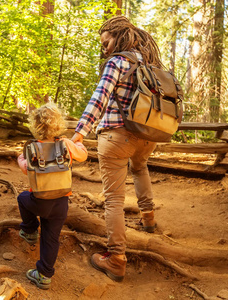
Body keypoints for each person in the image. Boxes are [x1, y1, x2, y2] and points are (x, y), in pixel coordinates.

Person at [71, 16, 164, 282]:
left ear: (119, 35)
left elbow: (99, 99)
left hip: (117, 136)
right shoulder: (150, 63)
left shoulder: (118, 62)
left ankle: (116, 259)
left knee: (113, 199)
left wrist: (78, 135)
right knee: (140, 167)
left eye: (106, 41)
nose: (104, 48)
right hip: (148, 135)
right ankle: (148, 218)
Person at [17, 103, 88, 290]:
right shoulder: (66, 144)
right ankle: (44, 275)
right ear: (59, 124)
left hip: (39, 200)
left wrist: (20, 159)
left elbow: (26, 169)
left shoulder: (32, 147)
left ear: (35, 126)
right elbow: (83, 156)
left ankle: (30, 230)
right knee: (51, 238)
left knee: (22, 199)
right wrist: (78, 143)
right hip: (61, 202)